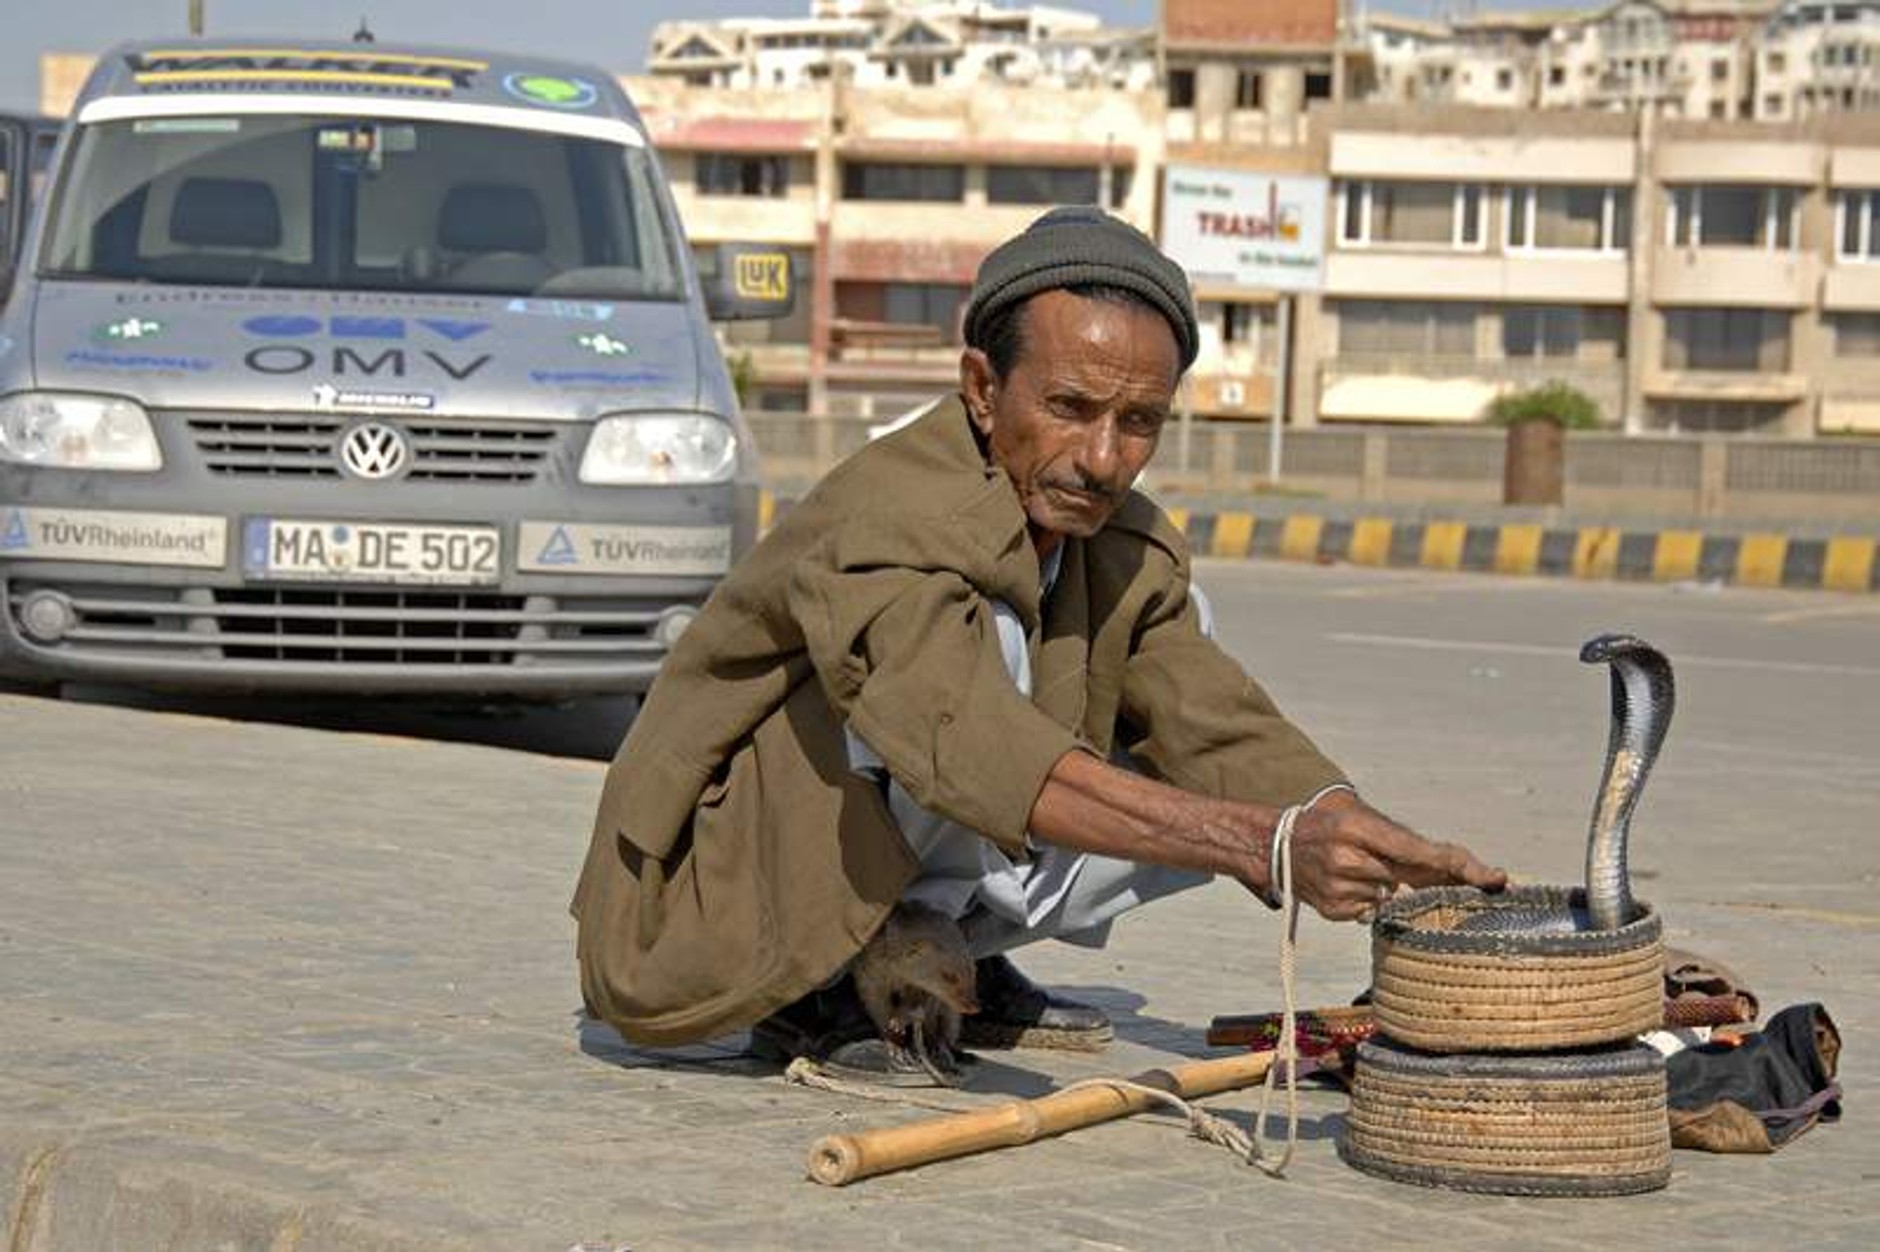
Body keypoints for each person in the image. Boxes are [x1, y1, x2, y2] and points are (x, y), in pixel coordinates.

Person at [571, 206, 1505, 1083]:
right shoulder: (892, 515)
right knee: (1000, 664)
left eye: (1138, 423)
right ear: (983, 389)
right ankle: (828, 976)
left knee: (1189, 714)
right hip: (701, 914)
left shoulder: (1114, 541)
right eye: (1069, 407)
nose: (1104, 458)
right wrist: (1267, 844)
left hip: (882, 838)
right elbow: (970, 747)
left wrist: (1362, 839)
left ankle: (944, 946)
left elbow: (1220, 723)